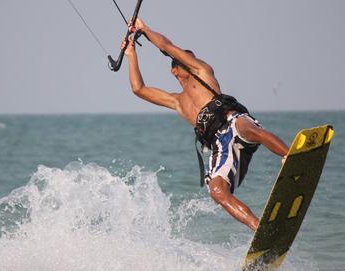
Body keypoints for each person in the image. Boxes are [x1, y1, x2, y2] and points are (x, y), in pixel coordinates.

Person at [122, 18, 289, 231]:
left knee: (250, 129)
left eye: (188, 56)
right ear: (174, 71)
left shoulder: (202, 72)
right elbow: (139, 89)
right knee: (217, 191)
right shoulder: (177, 102)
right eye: (184, 59)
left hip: (234, 122)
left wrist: (144, 30)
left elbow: (166, 46)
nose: (190, 60)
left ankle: (290, 155)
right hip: (220, 145)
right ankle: (260, 229)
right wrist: (131, 54)